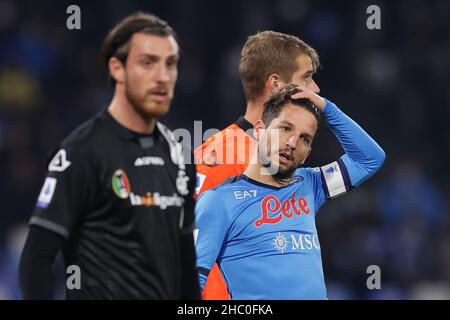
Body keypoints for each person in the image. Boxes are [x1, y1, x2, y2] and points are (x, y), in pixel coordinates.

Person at [19, 12, 200, 300]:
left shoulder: (178, 155)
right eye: (148, 63)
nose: (163, 76)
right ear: (117, 68)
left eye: (171, 64)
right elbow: (36, 259)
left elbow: (185, 263)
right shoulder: (81, 153)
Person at [195, 84, 386, 299]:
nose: (293, 143)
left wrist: (328, 110)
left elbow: (369, 159)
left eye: (305, 138)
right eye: (285, 128)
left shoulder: (310, 184)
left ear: (307, 154)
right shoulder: (219, 201)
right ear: (259, 131)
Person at [194, 31, 321, 299]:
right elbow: (189, 248)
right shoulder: (219, 155)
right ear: (276, 84)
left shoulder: (285, 153)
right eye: (306, 77)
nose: (316, 89)